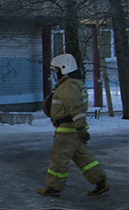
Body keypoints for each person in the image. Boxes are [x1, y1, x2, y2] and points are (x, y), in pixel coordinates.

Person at [36, 53, 109, 197]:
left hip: (68, 129)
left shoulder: (69, 85)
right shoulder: (71, 83)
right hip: (72, 128)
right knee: (83, 157)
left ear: (64, 68)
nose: (55, 72)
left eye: (56, 69)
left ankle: (53, 187)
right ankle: (100, 182)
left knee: (59, 157)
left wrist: (80, 127)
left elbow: (76, 107)